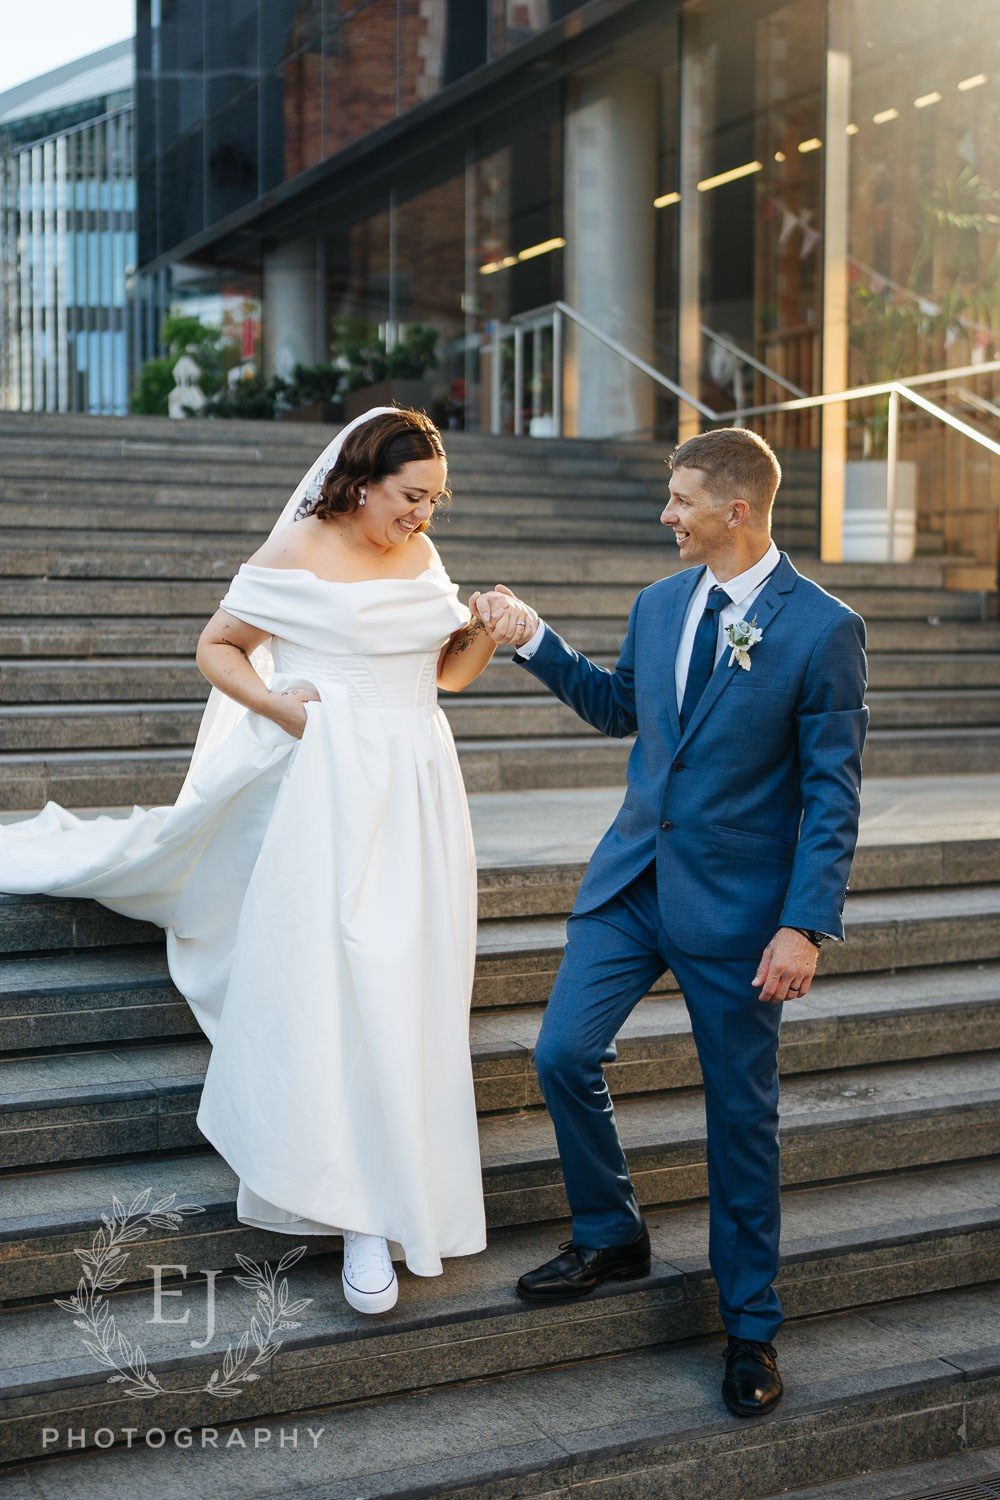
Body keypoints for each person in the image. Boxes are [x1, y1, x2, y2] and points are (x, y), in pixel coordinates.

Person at [0, 407, 496, 1316]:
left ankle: (402, 1193)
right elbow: (216, 647)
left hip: (423, 788)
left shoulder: (422, 555)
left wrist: (486, 632)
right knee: (348, 976)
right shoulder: (298, 551)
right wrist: (281, 708)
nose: (426, 514)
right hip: (332, 787)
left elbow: (446, 677)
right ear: (362, 481)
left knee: (413, 981)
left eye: (437, 497)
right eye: (412, 495)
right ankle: (359, 1218)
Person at [474, 426, 869, 1415]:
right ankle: (610, 1234)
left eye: (680, 499)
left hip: (740, 912)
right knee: (562, 1053)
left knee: (740, 1120)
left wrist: (804, 925)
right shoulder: (657, 606)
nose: (666, 514)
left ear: (735, 510)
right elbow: (620, 710)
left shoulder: (822, 630)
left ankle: (750, 1331)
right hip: (631, 886)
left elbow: (831, 795)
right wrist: (533, 640)